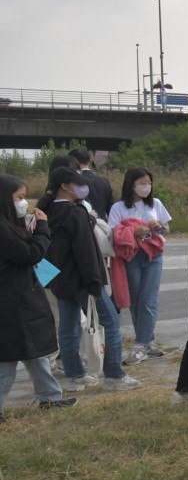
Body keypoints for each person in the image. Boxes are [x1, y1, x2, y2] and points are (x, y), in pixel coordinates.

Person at [40, 166, 138, 392]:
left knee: (68, 326)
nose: (83, 187)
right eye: (77, 183)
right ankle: (114, 374)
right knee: (111, 322)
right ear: (65, 186)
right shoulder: (75, 213)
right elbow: (85, 251)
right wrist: (95, 282)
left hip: (60, 280)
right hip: (83, 280)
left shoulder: (48, 213)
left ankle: (75, 374)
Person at [0, 174, 68, 419]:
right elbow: (31, 254)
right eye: (19, 197)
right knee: (7, 359)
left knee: (37, 352)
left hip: (22, 297)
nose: (24, 202)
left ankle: (50, 397)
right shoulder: (2, 228)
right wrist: (42, 229)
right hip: (11, 301)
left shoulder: (10, 223)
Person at [107, 166, 171, 364]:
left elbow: (166, 227)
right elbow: (113, 233)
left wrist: (159, 227)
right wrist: (132, 233)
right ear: (131, 185)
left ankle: (141, 344)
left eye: (149, 183)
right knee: (136, 300)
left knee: (148, 299)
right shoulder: (119, 207)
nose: (147, 187)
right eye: (142, 183)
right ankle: (148, 341)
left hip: (153, 255)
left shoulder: (156, 203)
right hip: (131, 256)